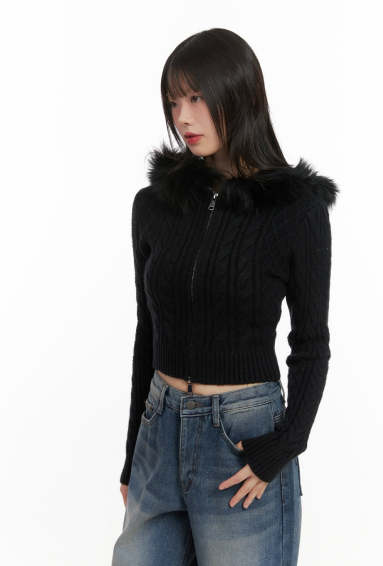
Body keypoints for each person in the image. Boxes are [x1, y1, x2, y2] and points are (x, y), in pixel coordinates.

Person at [112, 27, 339, 566]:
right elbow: (149, 332)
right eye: (174, 102)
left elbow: (311, 343)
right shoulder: (154, 206)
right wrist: (132, 455)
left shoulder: (296, 212)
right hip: (158, 433)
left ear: (238, 95)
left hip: (242, 442)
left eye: (196, 98)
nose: (183, 118)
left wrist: (285, 445)